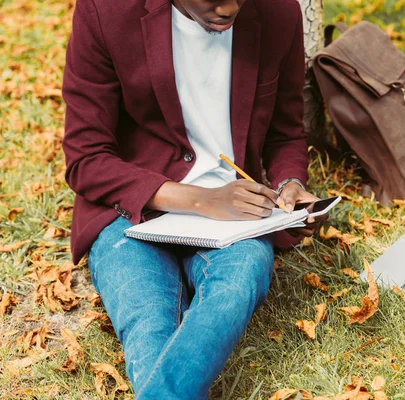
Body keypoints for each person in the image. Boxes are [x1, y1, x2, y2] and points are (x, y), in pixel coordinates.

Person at [61, 0, 324, 398]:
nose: (230, 6)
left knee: (237, 285)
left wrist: (290, 182)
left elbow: (286, 133)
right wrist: (201, 199)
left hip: (236, 218)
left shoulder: (276, 12)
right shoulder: (106, 10)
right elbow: (86, 157)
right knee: (147, 319)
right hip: (129, 213)